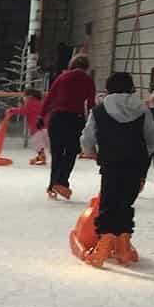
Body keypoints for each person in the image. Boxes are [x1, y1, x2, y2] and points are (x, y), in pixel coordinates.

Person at [78, 71, 154, 268]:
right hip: (136, 163)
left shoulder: (99, 110)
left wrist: (89, 151)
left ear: (108, 88)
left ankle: (103, 248)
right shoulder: (142, 109)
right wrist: (143, 153)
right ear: (131, 87)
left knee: (109, 202)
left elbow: (87, 136)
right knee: (125, 202)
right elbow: (152, 137)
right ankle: (123, 248)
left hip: (110, 162)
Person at [41, 54, 95, 199]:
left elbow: (50, 97)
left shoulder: (62, 77)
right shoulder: (88, 80)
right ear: (86, 66)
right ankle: (62, 181)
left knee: (57, 153)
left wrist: (41, 115)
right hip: (75, 119)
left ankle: (53, 185)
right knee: (71, 152)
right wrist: (94, 121)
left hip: (57, 117)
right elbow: (90, 104)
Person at [10, 87, 47, 166]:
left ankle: (42, 157)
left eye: (24, 96)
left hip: (37, 127)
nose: (23, 98)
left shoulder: (30, 103)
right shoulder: (40, 102)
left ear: (29, 96)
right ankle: (41, 156)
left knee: (38, 143)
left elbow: (24, 110)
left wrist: (12, 110)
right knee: (42, 143)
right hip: (45, 126)